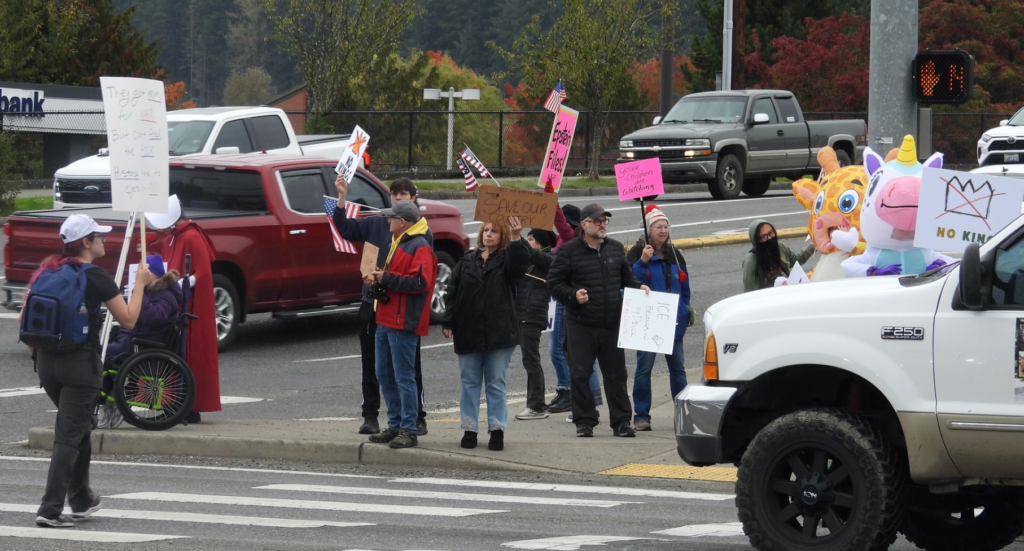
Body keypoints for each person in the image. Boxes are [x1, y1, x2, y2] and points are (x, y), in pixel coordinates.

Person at [31, 214, 157, 527]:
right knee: (68, 436)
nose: (105, 240)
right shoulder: (95, 276)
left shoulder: (49, 270)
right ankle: (49, 509)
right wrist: (140, 284)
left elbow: (31, 318)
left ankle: (82, 499)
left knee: (78, 427)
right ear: (85, 243)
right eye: (99, 236)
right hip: (80, 366)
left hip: (47, 364)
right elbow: (128, 319)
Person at [333, 175, 431, 436]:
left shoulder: (419, 235)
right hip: (374, 304)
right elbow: (343, 228)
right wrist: (342, 196)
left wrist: (384, 276)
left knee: (407, 369)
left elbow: (420, 279)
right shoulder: (378, 224)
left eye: (403, 194)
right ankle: (376, 417)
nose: (397, 198)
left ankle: (414, 420)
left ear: (412, 200)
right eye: (394, 194)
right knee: (377, 367)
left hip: (402, 313)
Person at [547, 204, 650, 438]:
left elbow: (626, 277)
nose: (602, 224)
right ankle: (584, 421)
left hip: (611, 323)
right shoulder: (568, 251)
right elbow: (554, 282)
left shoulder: (614, 248)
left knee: (616, 375)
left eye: (605, 221)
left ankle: (622, 422)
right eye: (597, 221)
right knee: (580, 374)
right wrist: (573, 296)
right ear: (584, 225)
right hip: (580, 323)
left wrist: (639, 286)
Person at [443, 218, 529, 451]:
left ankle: (497, 430)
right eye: (486, 231)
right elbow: (452, 291)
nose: (488, 234)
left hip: (499, 331)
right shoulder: (466, 260)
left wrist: (516, 237)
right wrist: (448, 320)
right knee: (469, 382)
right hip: (468, 329)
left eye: (494, 231)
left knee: (495, 383)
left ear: (502, 237)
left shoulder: (508, 259)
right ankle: (469, 428)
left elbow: (519, 266)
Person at [365, 201, 437, 449]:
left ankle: (408, 429)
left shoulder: (419, 246)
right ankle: (396, 425)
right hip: (386, 317)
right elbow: (403, 278)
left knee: (403, 376)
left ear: (403, 222)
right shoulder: (401, 242)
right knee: (384, 373)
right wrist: (378, 278)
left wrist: (385, 277)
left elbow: (421, 282)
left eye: (391, 218)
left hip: (402, 320)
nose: (388, 221)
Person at [146, 196, 220, 423]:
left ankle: (189, 406)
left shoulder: (191, 236)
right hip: (176, 300)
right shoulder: (173, 238)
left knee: (189, 353)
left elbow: (203, 273)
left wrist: (180, 284)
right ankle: (173, 403)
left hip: (190, 302)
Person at [625, 205, 692, 431]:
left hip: (673, 318)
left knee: (678, 370)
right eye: (658, 227)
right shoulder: (638, 252)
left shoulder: (674, 254)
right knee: (644, 368)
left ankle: (683, 414)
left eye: (665, 227)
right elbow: (630, 281)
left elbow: (684, 285)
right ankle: (641, 416)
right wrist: (643, 261)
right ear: (648, 229)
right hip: (649, 319)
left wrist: (685, 308)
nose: (663, 231)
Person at [547, 204, 603, 416]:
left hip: (571, 300)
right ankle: (583, 401)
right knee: (571, 352)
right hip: (565, 297)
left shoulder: (571, 237)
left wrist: (552, 201)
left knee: (574, 353)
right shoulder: (568, 240)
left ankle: (580, 401)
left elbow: (560, 224)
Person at [514, 227, 557, 420]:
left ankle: (536, 405)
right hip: (521, 313)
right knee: (528, 359)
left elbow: (533, 255)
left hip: (532, 315)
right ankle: (535, 404)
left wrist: (516, 238)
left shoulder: (549, 259)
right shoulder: (531, 262)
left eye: (531, 239)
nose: (529, 243)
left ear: (540, 243)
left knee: (531, 360)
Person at [742, 219, 816, 292]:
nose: (769, 238)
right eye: (764, 237)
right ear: (756, 240)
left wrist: (814, 244)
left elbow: (796, 259)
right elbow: (750, 293)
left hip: (789, 293)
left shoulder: (779, 247)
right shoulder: (751, 261)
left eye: (771, 233)